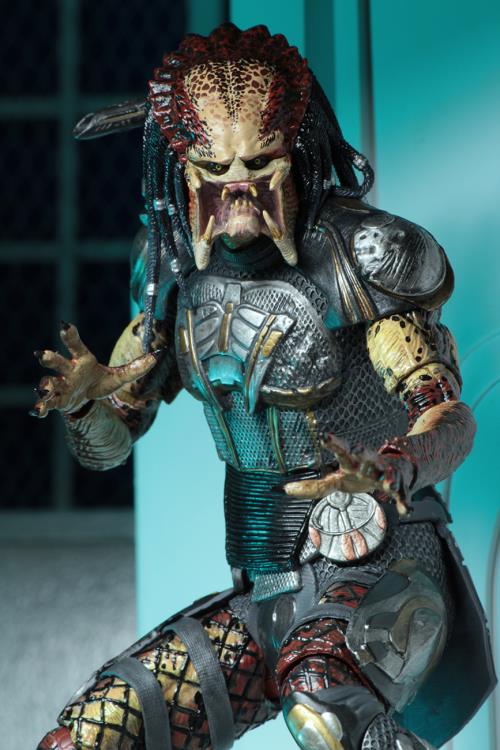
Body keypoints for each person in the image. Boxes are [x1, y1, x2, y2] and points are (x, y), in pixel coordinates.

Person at [36, 23, 495, 750]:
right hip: (262, 594)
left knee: (324, 707)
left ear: (295, 150)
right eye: (214, 168)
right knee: (93, 736)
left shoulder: (363, 257)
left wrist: (394, 467)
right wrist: (88, 403)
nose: (238, 188)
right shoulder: (170, 274)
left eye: (258, 163)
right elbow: (109, 445)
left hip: (383, 570)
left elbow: (450, 418)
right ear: (183, 167)